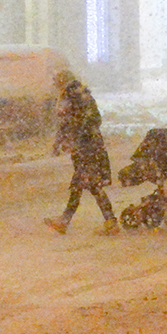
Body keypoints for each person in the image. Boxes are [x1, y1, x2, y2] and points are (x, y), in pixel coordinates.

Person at [44, 70, 120, 236]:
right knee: (90, 184)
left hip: (87, 149)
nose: (55, 85)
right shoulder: (78, 95)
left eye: (56, 81)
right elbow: (73, 122)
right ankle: (108, 220)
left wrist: (76, 138)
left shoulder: (72, 96)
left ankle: (67, 220)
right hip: (88, 147)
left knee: (83, 183)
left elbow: (73, 122)